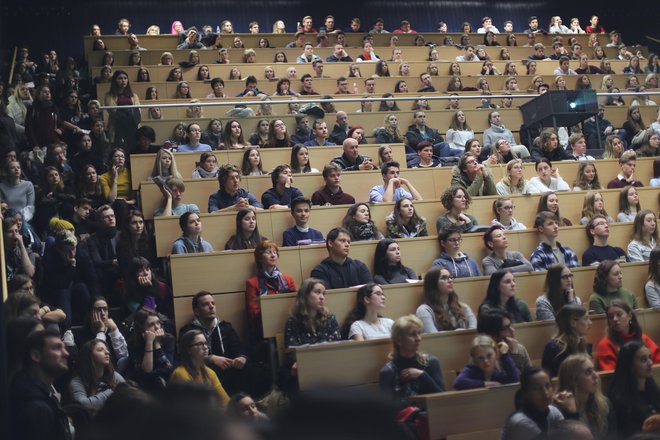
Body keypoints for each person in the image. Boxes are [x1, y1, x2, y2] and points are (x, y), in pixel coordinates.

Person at [179, 291, 249, 395]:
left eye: (213, 303)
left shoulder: (225, 327)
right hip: (203, 369)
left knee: (247, 367)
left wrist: (241, 357)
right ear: (196, 311)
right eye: (206, 304)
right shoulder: (188, 331)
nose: (211, 307)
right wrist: (211, 358)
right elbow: (184, 356)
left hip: (227, 369)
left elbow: (238, 347)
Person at [10, 329, 73, 440]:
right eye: (56, 348)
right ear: (36, 356)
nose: (66, 353)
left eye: (64, 348)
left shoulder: (41, 394)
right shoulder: (37, 408)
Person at [379, 315, 446, 406]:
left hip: (432, 416)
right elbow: (386, 409)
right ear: (398, 340)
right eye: (412, 334)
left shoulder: (431, 362)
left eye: (419, 333)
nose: (418, 338)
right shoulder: (388, 372)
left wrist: (423, 376)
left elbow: (443, 399)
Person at [608, 340, 660, 437]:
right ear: (630, 365)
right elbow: (629, 434)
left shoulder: (653, 389)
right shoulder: (620, 399)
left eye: (650, 358)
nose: (650, 363)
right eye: (643, 360)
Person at [557, 354, 616, 437]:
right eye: (588, 372)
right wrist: (572, 413)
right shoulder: (560, 410)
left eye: (594, 370)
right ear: (574, 379)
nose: (595, 375)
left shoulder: (604, 403)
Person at [502, 367, 568, 440]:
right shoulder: (520, 421)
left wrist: (571, 409)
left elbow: (569, 435)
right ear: (526, 393)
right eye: (536, 388)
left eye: (547, 386)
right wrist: (569, 412)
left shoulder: (553, 411)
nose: (545, 392)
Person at [169, 329, 229, 405]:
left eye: (205, 343)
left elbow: (225, 401)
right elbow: (192, 408)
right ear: (188, 349)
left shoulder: (210, 372)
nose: (205, 347)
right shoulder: (180, 373)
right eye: (199, 344)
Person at [597, 300, 660, 372]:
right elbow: (610, 374)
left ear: (629, 316)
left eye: (619, 314)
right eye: (611, 317)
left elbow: (657, 362)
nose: (615, 319)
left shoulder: (643, 338)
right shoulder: (605, 344)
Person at [69, 339, 125, 413]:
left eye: (107, 349)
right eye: (100, 350)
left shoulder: (114, 376)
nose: (107, 352)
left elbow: (128, 394)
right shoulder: (77, 381)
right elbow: (83, 405)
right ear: (89, 356)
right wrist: (114, 391)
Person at [416, 266, 476, 332]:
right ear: (433, 284)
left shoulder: (464, 307)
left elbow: (474, 333)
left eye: (450, 277)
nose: (450, 280)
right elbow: (433, 339)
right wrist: (456, 335)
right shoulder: (424, 311)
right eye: (444, 278)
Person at [541, 304, 592, 377]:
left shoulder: (584, 345)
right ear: (573, 322)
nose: (590, 323)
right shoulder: (553, 348)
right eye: (586, 318)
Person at [454, 334, 520, 390]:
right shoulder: (471, 370)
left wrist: (504, 355)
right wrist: (485, 384)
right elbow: (458, 382)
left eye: (489, 356)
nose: (485, 361)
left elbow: (515, 380)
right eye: (480, 358)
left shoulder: (498, 373)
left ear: (496, 354)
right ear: (474, 360)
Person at [477, 309, 532, 373]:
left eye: (511, 326)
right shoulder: (484, 356)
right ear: (492, 334)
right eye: (506, 328)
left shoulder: (519, 348)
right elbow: (512, 380)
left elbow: (531, 377)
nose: (512, 330)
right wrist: (514, 355)